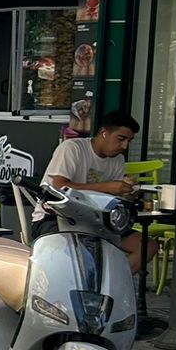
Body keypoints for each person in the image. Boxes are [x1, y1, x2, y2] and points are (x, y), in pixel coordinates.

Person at [43, 108, 147, 273]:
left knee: (146, 246)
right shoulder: (73, 148)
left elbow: (111, 198)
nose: (125, 146)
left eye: (129, 141)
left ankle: (110, 281)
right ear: (104, 133)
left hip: (96, 220)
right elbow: (57, 188)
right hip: (56, 217)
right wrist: (106, 187)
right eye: (121, 139)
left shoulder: (118, 160)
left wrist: (127, 193)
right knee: (87, 252)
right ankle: (93, 280)